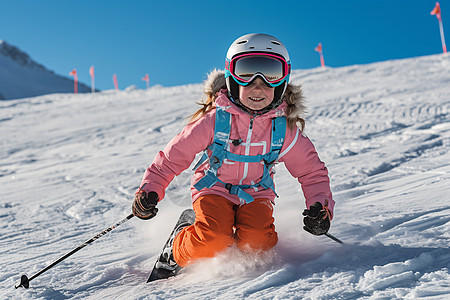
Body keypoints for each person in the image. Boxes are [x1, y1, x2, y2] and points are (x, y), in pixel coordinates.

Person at [132, 33, 334, 275]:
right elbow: (172, 158)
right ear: (231, 77)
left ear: (283, 80)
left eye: (270, 74)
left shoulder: (283, 130)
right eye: (246, 73)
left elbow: (312, 172)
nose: (258, 85)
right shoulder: (215, 121)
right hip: (213, 188)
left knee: (258, 244)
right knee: (213, 238)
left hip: (256, 192)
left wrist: (320, 208)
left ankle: (234, 240)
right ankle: (176, 247)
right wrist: (150, 190)